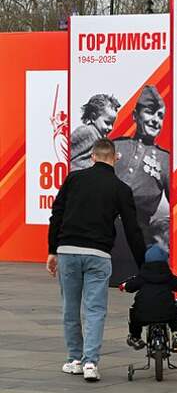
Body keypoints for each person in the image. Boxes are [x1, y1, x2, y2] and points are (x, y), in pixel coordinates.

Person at [46, 138, 146, 382]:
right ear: (116, 158)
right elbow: (132, 229)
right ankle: (90, 363)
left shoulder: (73, 179)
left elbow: (56, 214)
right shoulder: (121, 188)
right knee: (95, 309)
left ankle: (74, 359)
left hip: (68, 251)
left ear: (92, 157)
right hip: (98, 255)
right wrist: (144, 264)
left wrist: (52, 250)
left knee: (70, 308)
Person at [111, 85, 169, 284]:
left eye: (160, 116)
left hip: (135, 240)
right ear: (135, 116)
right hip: (102, 234)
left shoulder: (165, 159)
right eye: (150, 112)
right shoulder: (115, 146)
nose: (155, 120)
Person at [120, 244, 177, 351]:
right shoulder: (168, 277)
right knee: (175, 311)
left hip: (143, 314)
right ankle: (176, 334)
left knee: (133, 313)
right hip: (167, 313)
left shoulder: (142, 277)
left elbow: (129, 287)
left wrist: (124, 286)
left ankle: (135, 337)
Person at [70, 94, 120, 171]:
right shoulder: (87, 132)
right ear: (93, 117)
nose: (110, 128)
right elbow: (66, 151)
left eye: (112, 124)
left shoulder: (100, 137)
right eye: (107, 123)